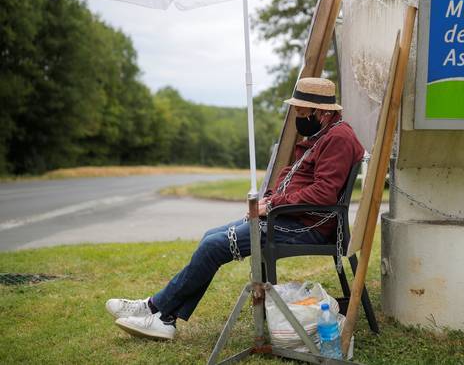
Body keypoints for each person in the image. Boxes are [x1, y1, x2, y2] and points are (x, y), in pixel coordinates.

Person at [105, 77, 365, 340]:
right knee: (210, 237)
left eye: (301, 111)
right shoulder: (323, 134)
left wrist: (273, 204)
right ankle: (165, 316)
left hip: (307, 227)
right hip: (288, 218)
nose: (297, 115)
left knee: (213, 247)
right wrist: (269, 200)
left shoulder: (338, 138)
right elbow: (295, 178)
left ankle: (155, 309)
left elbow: (324, 193)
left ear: (320, 113)